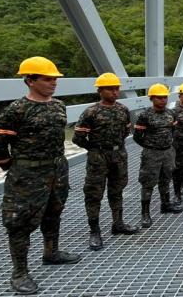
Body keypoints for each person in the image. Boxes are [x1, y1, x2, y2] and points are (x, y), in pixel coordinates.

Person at [0, 56, 80, 294]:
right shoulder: (16, 110)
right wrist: (16, 169)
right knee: (20, 223)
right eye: (47, 79)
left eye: (55, 79)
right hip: (28, 174)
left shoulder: (58, 105)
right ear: (29, 80)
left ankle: (51, 252)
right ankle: (19, 273)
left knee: (53, 212)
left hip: (57, 169)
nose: (53, 83)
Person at [72, 72, 139, 253]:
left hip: (118, 156)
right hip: (98, 158)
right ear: (100, 90)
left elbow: (126, 131)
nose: (114, 92)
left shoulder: (122, 110)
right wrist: (94, 149)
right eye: (110, 89)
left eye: (116, 88)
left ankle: (118, 223)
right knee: (94, 194)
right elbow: (77, 138)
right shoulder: (91, 112)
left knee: (117, 190)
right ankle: (94, 231)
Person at [133, 83, 182, 229]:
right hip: (151, 153)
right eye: (159, 98)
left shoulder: (171, 114)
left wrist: (167, 144)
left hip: (167, 151)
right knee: (148, 183)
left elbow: (173, 130)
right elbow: (137, 136)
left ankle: (165, 204)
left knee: (166, 179)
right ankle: (145, 214)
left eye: (164, 97)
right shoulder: (145, 115)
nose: (163, 100)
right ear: (152, 98)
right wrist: (150, 146)